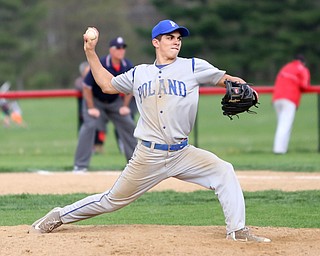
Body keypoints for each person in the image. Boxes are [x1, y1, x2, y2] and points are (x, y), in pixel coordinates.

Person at [30, 20, 271, 242]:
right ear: (156, 42)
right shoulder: (139, 73)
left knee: (224, 171)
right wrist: (90, 52)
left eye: (179, 37)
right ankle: (59, 215)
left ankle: (237, 230)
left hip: (182, 153)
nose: (176, 41)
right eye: (169, 37)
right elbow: (106, 84)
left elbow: (226, 79)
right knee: (111, 201)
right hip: (148, 155)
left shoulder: (194, 67)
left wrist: (245, 86)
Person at [73, 36, 137, 172]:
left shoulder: (127, 65)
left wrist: (125, 106)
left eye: (123, 48)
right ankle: (80, 165)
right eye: (118, 48)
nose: (121, 50)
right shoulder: (101, 63)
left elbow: (131, 87)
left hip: (114, 102)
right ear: (111, 50)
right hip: (95, 101)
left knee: (129, 125)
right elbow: (86, 86)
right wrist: (90, 108)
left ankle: (135, 166)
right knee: (89, 126)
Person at [272, 54, 310, 154]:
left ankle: (281, 149)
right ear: (303, 62)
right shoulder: (302, 69)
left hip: (277, 98)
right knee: (285, 125)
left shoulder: (286, 67)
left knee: (281, 123)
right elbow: (304, 85)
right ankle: (279, 150)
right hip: (290, 98)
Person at [74, 61, 106, 154]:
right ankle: (86, 147)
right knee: (85, 127)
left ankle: (99, 145)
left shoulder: (97, 79)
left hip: (98, 105)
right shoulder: (80, 81)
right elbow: (82, 86)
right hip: (84, 107)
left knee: (101, 126)